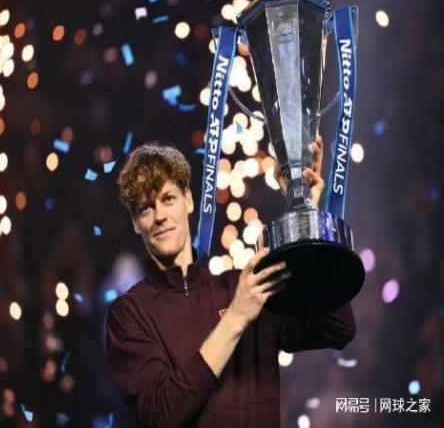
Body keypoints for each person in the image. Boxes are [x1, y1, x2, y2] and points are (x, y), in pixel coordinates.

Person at [105, 138, 356, 427]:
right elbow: (161, 415)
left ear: (189, 200)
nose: (160, 216)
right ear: (135, 222)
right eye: (146, 208)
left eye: (168, 199)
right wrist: (236, 317)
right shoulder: (129, 314)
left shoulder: (246, 286)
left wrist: (306, 214)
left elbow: (338, 329)